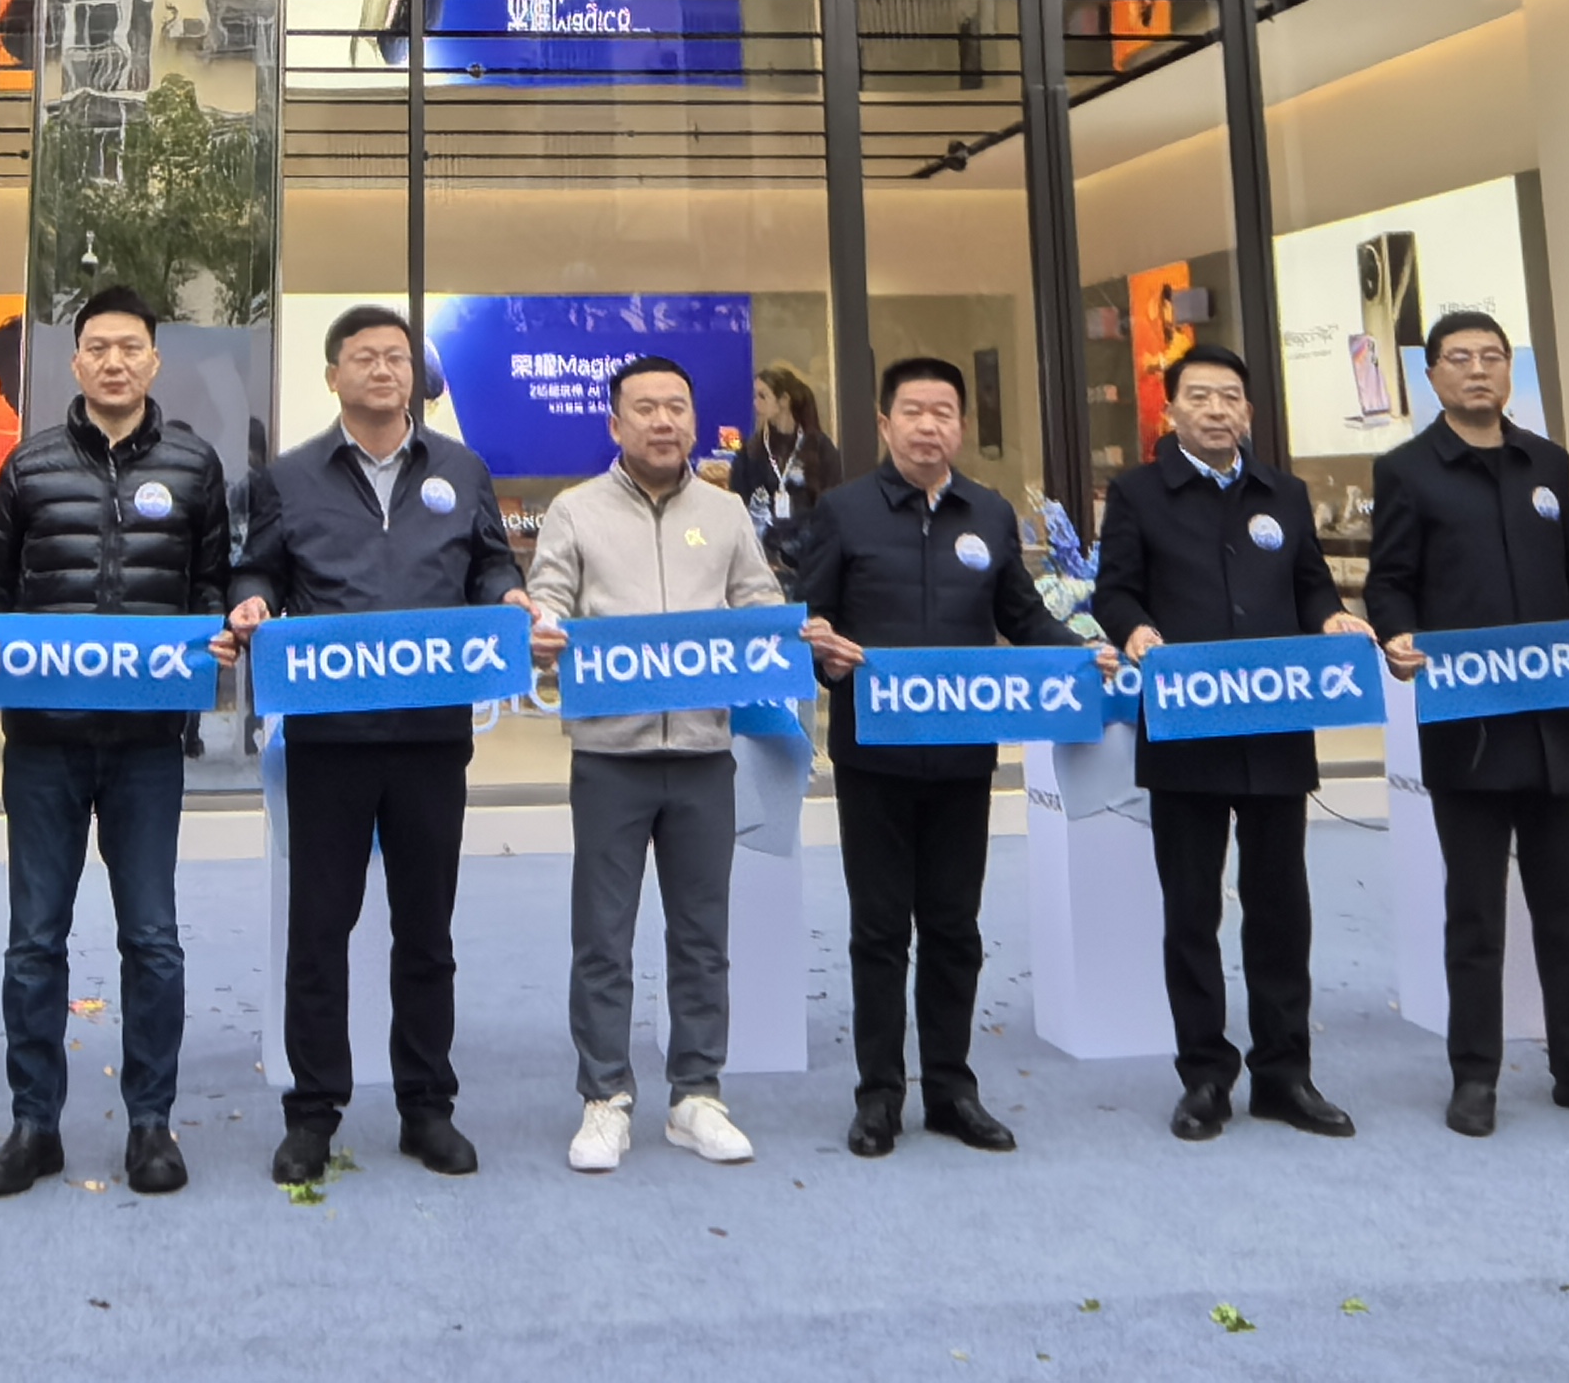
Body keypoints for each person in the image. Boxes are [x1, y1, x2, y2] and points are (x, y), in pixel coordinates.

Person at [1365, 310, 1569, 1141]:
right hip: (1468, 726)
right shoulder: (1406, 471)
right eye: (1460, 358)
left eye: (1492, 357)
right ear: (1433, 375)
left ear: (1510, 370)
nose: (1478, 370)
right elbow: (1389, 581)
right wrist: (1397, 635)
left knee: (1566, 913)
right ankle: (1475, 1075)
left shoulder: (1547, 462)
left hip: (1555, 728)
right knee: (1475, 914)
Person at [226, 303, 517, 1186]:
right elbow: (258, 565)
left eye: (397, 356)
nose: (384, 369)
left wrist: (506, 597)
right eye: (365, 356)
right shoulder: (289, 477)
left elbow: (491, 563)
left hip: (432, 735)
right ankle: (313, 1113)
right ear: (334, 376)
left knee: (426, 933)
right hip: (330, 737)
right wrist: (249, 599)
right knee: (320, 932)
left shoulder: (462, 468)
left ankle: (427, 1106)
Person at [0, 285, 232, 1203]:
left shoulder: (194, 466)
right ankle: (33, 1124)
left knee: (152, 940)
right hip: (45, 743)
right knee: (34, 941)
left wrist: (218, 636)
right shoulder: (29, 466)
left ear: (156, 360)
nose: (115, 362)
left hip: (148, 746)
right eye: (98, 348)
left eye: (131, 347)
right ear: (74, 363)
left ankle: (152, 1123)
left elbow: (209, 588)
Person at [790, 355, 1091, 1158]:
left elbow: (1023, 617)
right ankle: (879, 1096)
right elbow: (809, 621)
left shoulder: (988, 513)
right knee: (880, 930)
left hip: (962, 758)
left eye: (944, 412)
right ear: (884, 423)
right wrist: (821, 652)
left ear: (961, 425)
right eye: (913, 412)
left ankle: (953, 1089)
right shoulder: (843, 511)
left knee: (955, 927)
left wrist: (1079, 654)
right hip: (874, 758)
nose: (928, 426)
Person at [1089, 339, 1373, 1142]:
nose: (1216, 411)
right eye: (1200, 397)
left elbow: (1310, 583)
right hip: (1186, 727)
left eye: (1229, 398)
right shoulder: (1139, 493)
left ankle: (1285, 1073)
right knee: (1192, 910)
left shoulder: (1284, 492)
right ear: (1171, 409)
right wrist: (1135, 629)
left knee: (1281, 908)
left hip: (1275, 726)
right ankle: (1206, 1076)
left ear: (1248, 411)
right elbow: (1115, 590)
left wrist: (1332, 617)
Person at [524, 353, 780, 1173]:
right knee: (603, 936)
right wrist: (541, 630)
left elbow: (760, 605)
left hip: (704, 753)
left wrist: (787, 631)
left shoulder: (727, 512)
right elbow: (549, 598)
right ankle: (605, 1097)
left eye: (677, 406)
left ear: (694, 422)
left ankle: (697, 1094)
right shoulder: (575, 511)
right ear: (615, 423)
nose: (663, 421)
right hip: (611, 755)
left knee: (702, 934)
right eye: (645, 408)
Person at [735, 366, 841, 564]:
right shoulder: (751, 451)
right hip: (762, 555)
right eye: (755, 396)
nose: (755, 404)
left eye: (762, 396)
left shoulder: (819, 448)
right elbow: (738, 502)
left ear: (784, 400)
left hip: (811, 555)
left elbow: (833, 504)